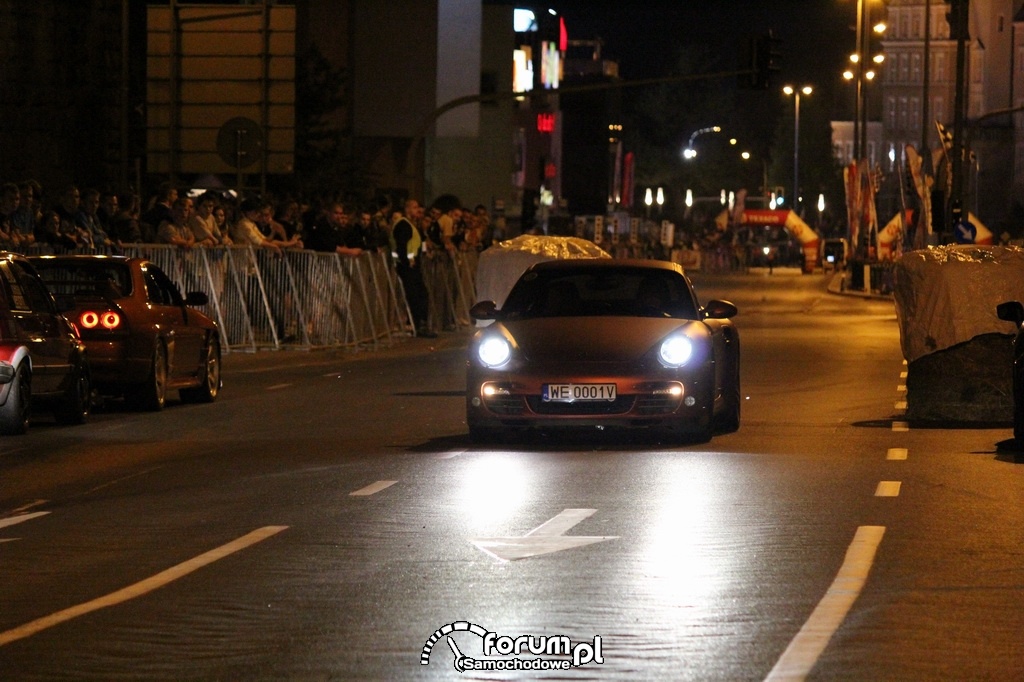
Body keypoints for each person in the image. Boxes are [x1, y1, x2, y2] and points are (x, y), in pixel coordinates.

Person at [392, 198, 435, 338]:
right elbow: (402, 246)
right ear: (408, 209)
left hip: (413, 265)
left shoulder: (412, 225)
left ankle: (420, 324)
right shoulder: (403, 225)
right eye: (415, 208)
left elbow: (418, 242)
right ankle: (417, 325)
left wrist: (424, 252)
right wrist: (406, 260)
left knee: (421, 295)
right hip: (407, 266)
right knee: (415, 296)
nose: (418, 211)